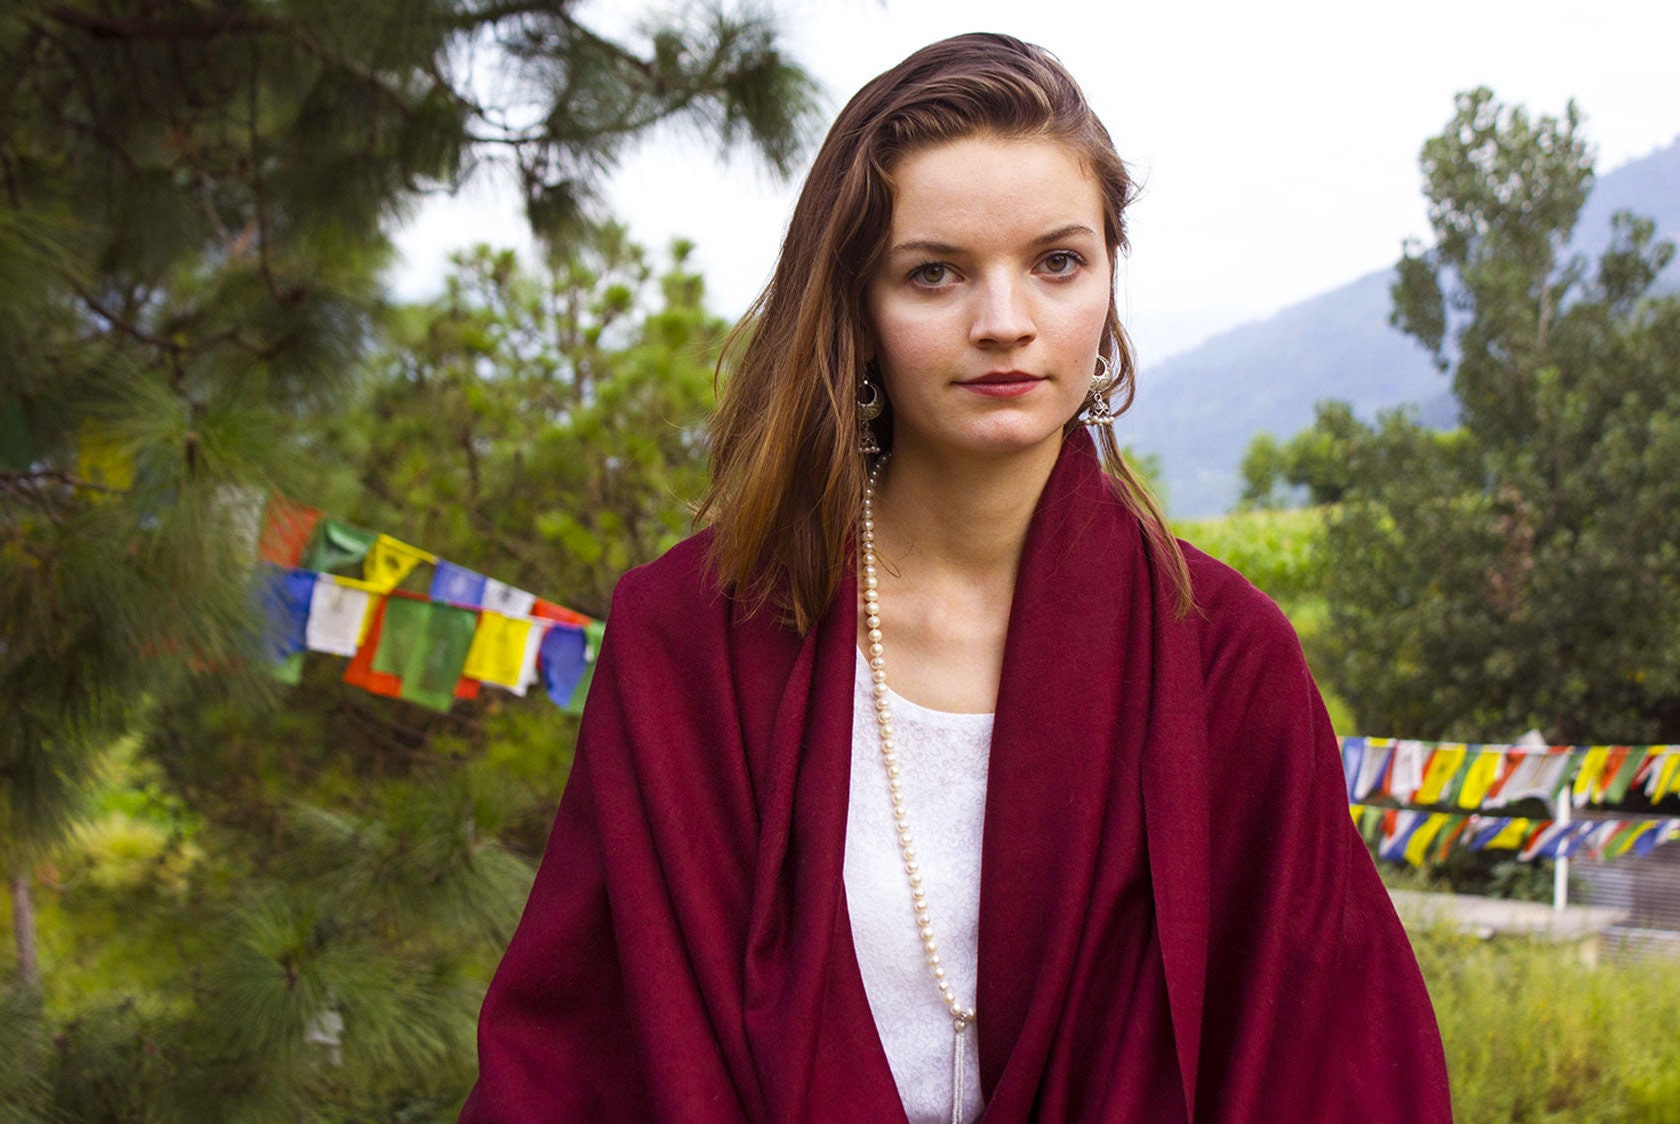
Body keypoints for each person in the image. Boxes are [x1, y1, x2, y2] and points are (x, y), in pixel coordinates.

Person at [463, 33, 1452, 1123]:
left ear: (1110, 278)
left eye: (1057, 262)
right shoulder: (689, 641)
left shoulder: (1223, 658)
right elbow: (576, 1065)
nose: (1005, 322)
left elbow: (1335, 1062)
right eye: (935, 271)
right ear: (857, 306)